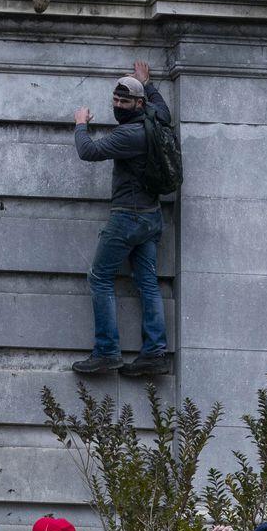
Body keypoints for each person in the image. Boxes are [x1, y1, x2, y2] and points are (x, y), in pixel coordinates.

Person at [71, 62, 171, 377]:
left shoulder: (128, 135)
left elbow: (88, 152)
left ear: (137, 105)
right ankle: (154, 353)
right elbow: (163, 107)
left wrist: (80, 124)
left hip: (127, 216)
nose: (118, 106)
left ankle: (107, 352)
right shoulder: (157, 121)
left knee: (100, 277)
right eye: (115, 100)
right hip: (152, 216)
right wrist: (147, 83)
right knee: (147, 283)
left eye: (124, 102)